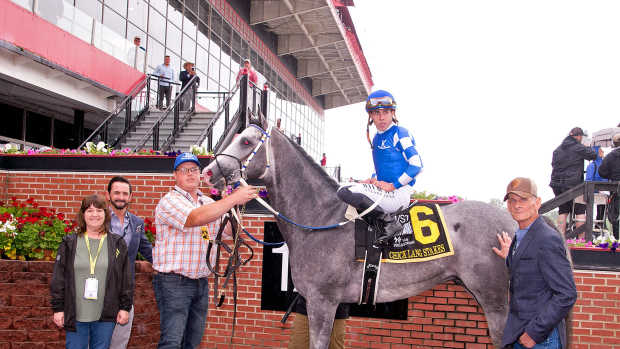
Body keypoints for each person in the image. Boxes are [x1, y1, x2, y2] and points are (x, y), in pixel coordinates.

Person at [153, 153, 258, 348]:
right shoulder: (169, 201)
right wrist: (232, 198)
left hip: (201, 282)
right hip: (174, 282)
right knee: (172, 342)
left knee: (192, 342)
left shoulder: (208, 203)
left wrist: (236, 207)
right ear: (175, 175)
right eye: (184, 170)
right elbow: (194, 218)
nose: (190, 174)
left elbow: (229, 233)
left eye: (194, 169)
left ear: (200, 174)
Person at [493, 177, 577, 349]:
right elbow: (532, 274)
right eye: (512, 200)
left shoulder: (547, 238)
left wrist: (534, 333)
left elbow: (566, 294)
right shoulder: (520, 235)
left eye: (524, 199)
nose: (517, 205)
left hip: (540, 339)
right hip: (519, 332)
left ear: (537, 202)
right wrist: (511, 257)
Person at [336, 90, 422, 245]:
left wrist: (393, 185)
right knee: (351, 188)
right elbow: (384, 169)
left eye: (386, 112)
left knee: (345, 190)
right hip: (385, 193)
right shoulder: (376, 138)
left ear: (393, 113)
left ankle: (389, 223)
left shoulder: (400, 133)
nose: (381, 117)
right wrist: (372, 179)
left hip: (398, 195)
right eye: (376, 112)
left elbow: (417, 165)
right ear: (371, 116)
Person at [50, 194, 132, 349]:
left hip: (105, 314)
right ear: (83, 215)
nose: (95, 214)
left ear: (105, 214)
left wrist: (124, 307)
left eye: (99, 210)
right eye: (90, 210)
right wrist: (58, 309)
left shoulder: (117, 243)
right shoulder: (70, 243)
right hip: (75, 314)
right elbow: (58, 278)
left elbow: (125, 279)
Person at [106, 177, 153, 349]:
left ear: (131, 197)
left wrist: (165, 265)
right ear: (108, 195)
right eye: (116, 192)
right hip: (99, 290)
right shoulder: (98, 219)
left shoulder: (137, 224)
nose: (121, 197)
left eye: (125, 193)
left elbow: (146, 248)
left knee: (119, 342)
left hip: (125, 291)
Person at [549, 127, 601, 236]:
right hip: (573, 185)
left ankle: (561, 239)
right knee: (580, 210)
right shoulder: (578, 147)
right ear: (579, 136)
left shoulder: (557, 150)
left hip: (556, 184)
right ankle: (581, 241)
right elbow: (593, 155)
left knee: (563, 210)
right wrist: (587, 146)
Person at [599, 133, 620, 239]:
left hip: (615, 187)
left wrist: (611, 175)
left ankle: (617, 240)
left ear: (614, 144)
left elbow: (601, 172)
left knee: (615, 214)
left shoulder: (611, 156)